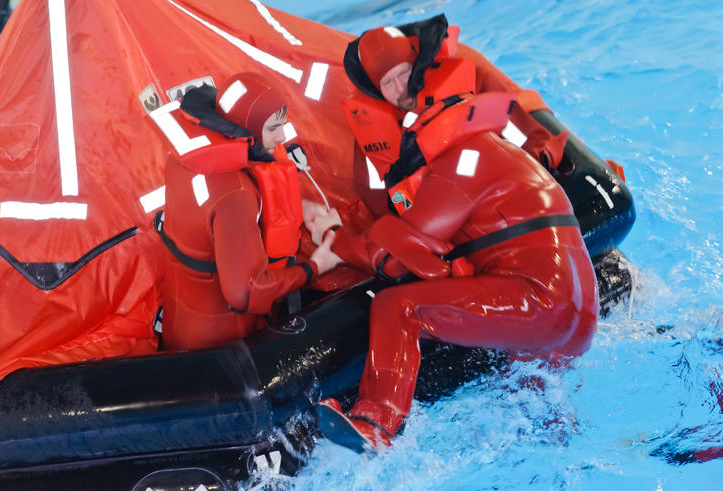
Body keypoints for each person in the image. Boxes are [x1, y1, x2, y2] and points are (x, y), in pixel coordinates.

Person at [312, 19, 599, 452]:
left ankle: (377, 424)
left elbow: (400, 253)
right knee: (532, 408)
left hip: (541, 302)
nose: (398, 90)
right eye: (386, 83)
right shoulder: (486, 141)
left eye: (403, 76)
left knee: (397, 307)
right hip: (579, 307)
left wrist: (336, 241)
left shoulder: (458, 161)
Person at [157, 72, 340, 351]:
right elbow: (246, 292)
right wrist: (316, 266)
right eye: (271, 128)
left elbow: (211, 222)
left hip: (180, 324)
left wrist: (296, 207)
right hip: (220, 343)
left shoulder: (184, 158)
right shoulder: (236, 194)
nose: (281, 137)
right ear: (246, 127)